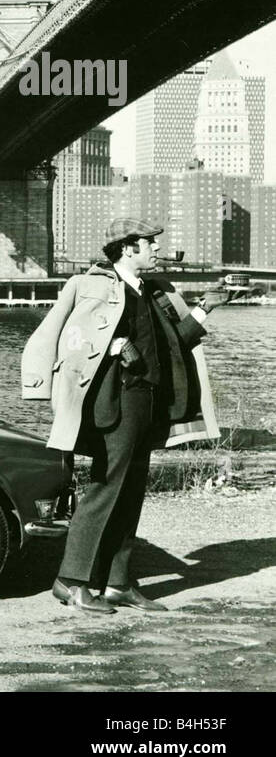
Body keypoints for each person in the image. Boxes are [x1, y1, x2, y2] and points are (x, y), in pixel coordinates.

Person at [21, 218, 221, 614]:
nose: (157, 250)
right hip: (116, 401)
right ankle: (70, 581)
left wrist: (205, 309)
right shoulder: (92, 285)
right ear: (128, 248)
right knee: (105, 489)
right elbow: (68, 336)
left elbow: (171, 346)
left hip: (147, 403)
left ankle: (117, 583)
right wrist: (112, 346)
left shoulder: (151, 292)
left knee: (131, 494)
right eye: (150, 243)